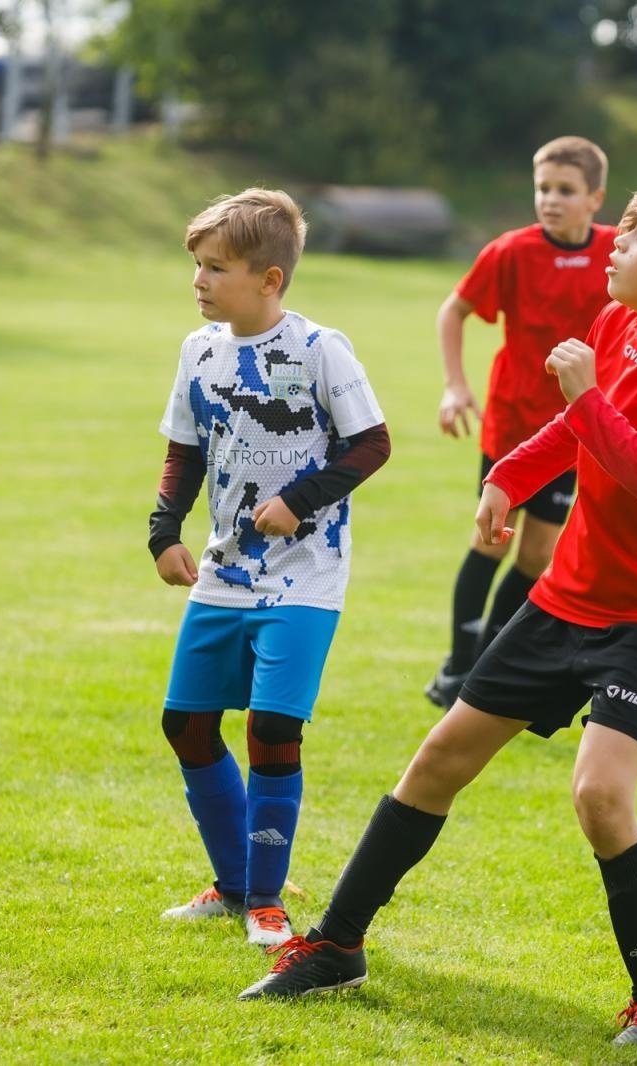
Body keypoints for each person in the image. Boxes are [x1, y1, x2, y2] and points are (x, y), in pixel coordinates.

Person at [239, 179, 637, 1050]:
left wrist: (589, 397)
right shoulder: (618, 329)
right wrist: (509, 475)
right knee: (438, 759)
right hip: (566, 597)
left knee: (599, 794)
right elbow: (570, 432)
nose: (615, 243)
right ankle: (335, 945)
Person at [150, 188, 391, 948]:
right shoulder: (199, 351)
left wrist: (299, 499)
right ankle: (232, 886)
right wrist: (164, 531)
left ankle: (266, 902)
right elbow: (184, 449)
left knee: (273, 728)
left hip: (305, 576)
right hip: (224, 574)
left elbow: (372, 443)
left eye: (215, 267)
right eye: (196, 265)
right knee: (186, 724)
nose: (199, 280)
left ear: (269, 279)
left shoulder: (322, 349)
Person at [425, 136, 616, 709]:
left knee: (537, 555)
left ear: (595, 198)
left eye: (566, 191)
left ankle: (486, 658)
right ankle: (459, 664)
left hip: (575, 429)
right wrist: (455, 385)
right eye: (543, 189)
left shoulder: (615, 253)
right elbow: (453, 310)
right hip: (513, 428)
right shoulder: (510, 251)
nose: (550, 200)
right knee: (490, 543)